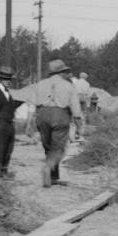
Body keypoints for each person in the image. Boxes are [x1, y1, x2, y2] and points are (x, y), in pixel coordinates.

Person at [16, 58, 83, 187]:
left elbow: (31, 105)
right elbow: (76, 109)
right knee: (58, 148)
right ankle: (48, 168)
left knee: (48, 147)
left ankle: (53, 177)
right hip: (60, 114)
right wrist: (79, 126)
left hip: (42, 114)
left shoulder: (40, 84)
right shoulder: (69, 86)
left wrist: (29, 124)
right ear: (62, 72)